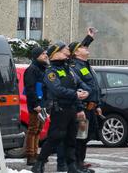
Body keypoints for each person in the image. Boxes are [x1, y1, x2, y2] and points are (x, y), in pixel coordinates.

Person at [32, 42, 91, 173]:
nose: (67, 51)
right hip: (59, 109)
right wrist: (75, 94)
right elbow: (57, 90)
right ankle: (39, 163)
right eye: (64, 49)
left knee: (71, 138)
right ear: (55, 53)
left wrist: (86, 91)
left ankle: (71, 167)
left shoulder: (68, 69)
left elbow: (81, 83)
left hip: (71, 108)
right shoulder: (51, 72)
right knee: (55, 137)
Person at [69, 27, 102, 173]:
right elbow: (79, 87)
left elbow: (93, 86)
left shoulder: (84, 64)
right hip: (83, 107)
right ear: (76, 53)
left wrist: (97, 104)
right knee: (80, 137)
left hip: (92, 106)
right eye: (82, 47)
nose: (86, 48)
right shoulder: (75, 66)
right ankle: (77, 163)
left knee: (88, 134)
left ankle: (79, 161)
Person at [23, 46, 49, 166]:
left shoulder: (42, 68)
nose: (45, 55)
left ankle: (35, 152)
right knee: (33, 129)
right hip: (36, 105)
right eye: (43, 54)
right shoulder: (32, 69)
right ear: (37, 56)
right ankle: (30, 155)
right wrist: (35, 104)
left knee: (38, 129)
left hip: (42, 104)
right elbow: (30, 88)